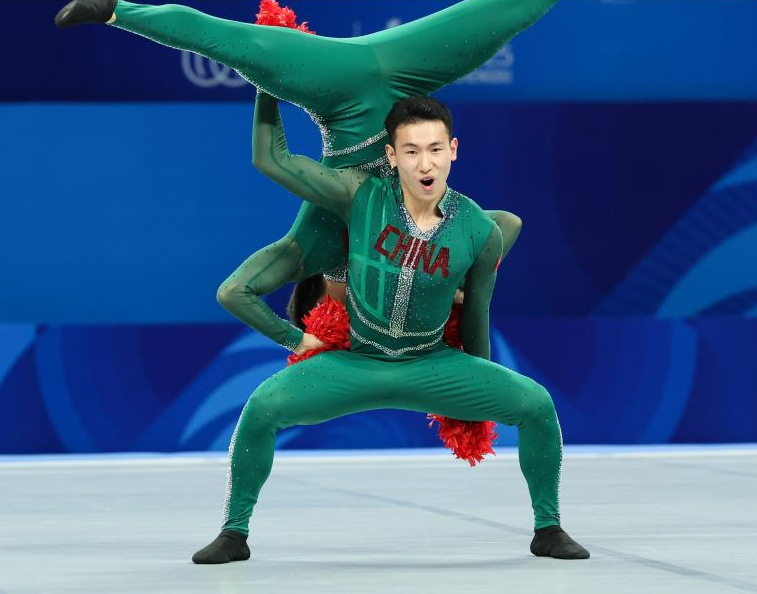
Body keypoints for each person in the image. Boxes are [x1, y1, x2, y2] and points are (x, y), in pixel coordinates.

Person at [54, 0, 732, 356]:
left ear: (316, 298)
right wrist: (467, 293)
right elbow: (501, 225)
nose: (351, 300)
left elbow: (234, 290)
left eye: (334, 307)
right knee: (519, 4)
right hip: (406, 78)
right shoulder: (399, 245)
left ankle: (114, 8)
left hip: (340, 90)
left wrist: (296, 342)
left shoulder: (311, 246)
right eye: (347, 312)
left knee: (236, 45)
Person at [190, 94, 588, 564]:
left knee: (537, 405)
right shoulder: (360, 195)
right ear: (392, 155)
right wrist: (266, 85)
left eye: (435, 149)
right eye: (412, 151)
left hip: (432, 365)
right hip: (357, 363)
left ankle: (548, 529)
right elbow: (274, 159)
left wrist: (475, 399)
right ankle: (233, 533)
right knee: (261, 407)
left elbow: (477, 316)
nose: (426, 163)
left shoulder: (480, 231)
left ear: (453, 150)